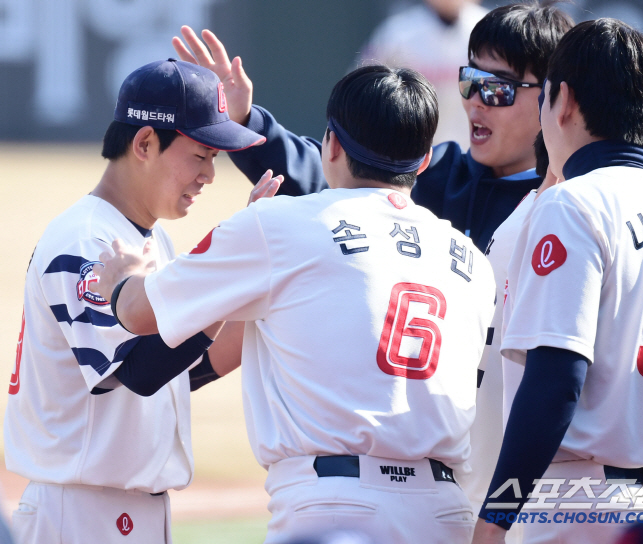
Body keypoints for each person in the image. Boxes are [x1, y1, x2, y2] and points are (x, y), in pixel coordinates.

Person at [93, 65, 497, 543]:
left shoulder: (279, 224)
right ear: (424, 160)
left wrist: (123, 280)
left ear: (330, 145)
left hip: (334, 508)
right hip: (445, 513)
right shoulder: (471, 259)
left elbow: (140, 314)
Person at [3, 58, 278, 544]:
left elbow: (183, 368)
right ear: (145, 143)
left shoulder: (148, 241)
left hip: (129, 514)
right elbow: (139, 372)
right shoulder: (87, 242)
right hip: (83, 516)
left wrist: (253, 276)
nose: (209, 176)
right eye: (200, 156)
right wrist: (224, 268)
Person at [473, 18, 643, 544]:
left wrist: (495, 518)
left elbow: (555, 380)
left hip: (580, 510)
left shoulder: (571, 204)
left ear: (565, 100)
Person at [172, 1, 574, 255]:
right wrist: (244, 121)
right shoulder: (438, 178)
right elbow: (328, 170)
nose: (473, 99)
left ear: (554, 98)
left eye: (496, 89)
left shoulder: (575, 208)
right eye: (470, 80)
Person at [358, 0, 488, 148]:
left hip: (474, 149)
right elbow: (363, 93)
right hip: (410, 151)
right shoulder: (397, 33)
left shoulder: (492, 31)